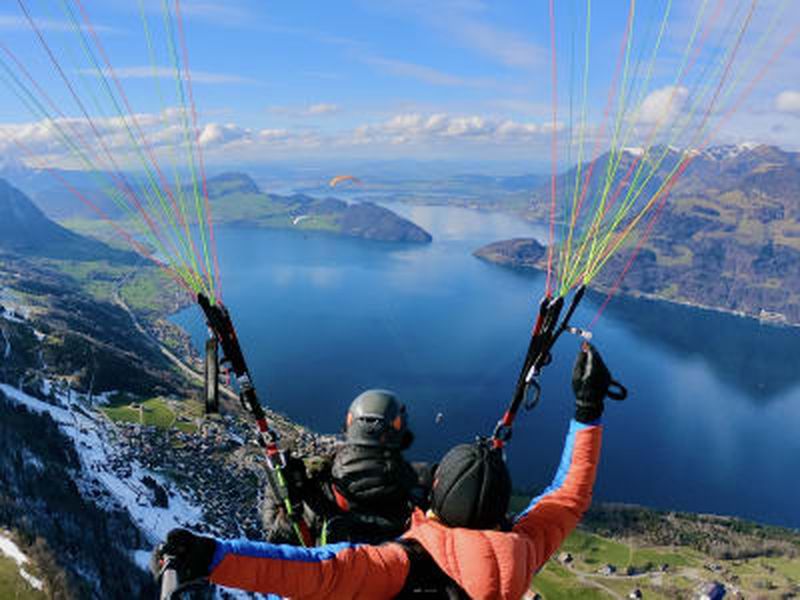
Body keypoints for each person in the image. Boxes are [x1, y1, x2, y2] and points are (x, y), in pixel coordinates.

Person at [154, 343, 616, 599]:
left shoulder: (403, 564)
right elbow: (567, 496)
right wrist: (588, 408)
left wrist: (212, 556)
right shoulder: (524, 551)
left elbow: (318, 572)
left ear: (434, 501)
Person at [262, 389, 431, 545]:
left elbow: (277, 539)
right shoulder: (422, 486)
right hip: (396, 572)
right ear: (399, 431)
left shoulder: (318, 491)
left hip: (338, 573)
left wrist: (278, 488)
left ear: (350, 424)